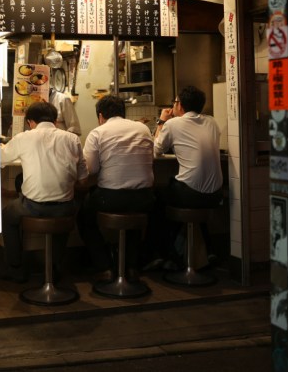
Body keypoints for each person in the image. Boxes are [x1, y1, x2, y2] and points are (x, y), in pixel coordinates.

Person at [0, 101, 89, 283]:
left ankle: (15, 267)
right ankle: (55, 267)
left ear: (30, 122)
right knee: (67, 209)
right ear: (55, 120)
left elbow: (1, 159)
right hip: (65, 208)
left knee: (7, 215)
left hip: (32, 207)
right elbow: (83, 178)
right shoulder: (72, 139)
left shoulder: (24, 137)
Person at [145, 85, 223, 269]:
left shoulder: (173, 124)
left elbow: (156, 150)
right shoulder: (211, 122)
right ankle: (207, 251)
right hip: (215, 195)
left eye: (175, 101)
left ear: (179, 105)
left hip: (191, 194)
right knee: (189, 197)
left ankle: (160, 255)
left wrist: (161, 121)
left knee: (156, 199)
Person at [77, 95, 155, 281]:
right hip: (145, 197)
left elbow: (91, 169)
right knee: (134, 219)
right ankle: (131, 266)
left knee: (83, 217)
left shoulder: (98, 133)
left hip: (111, 198)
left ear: (101, 115)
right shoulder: (143, 129)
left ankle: (104, 266)